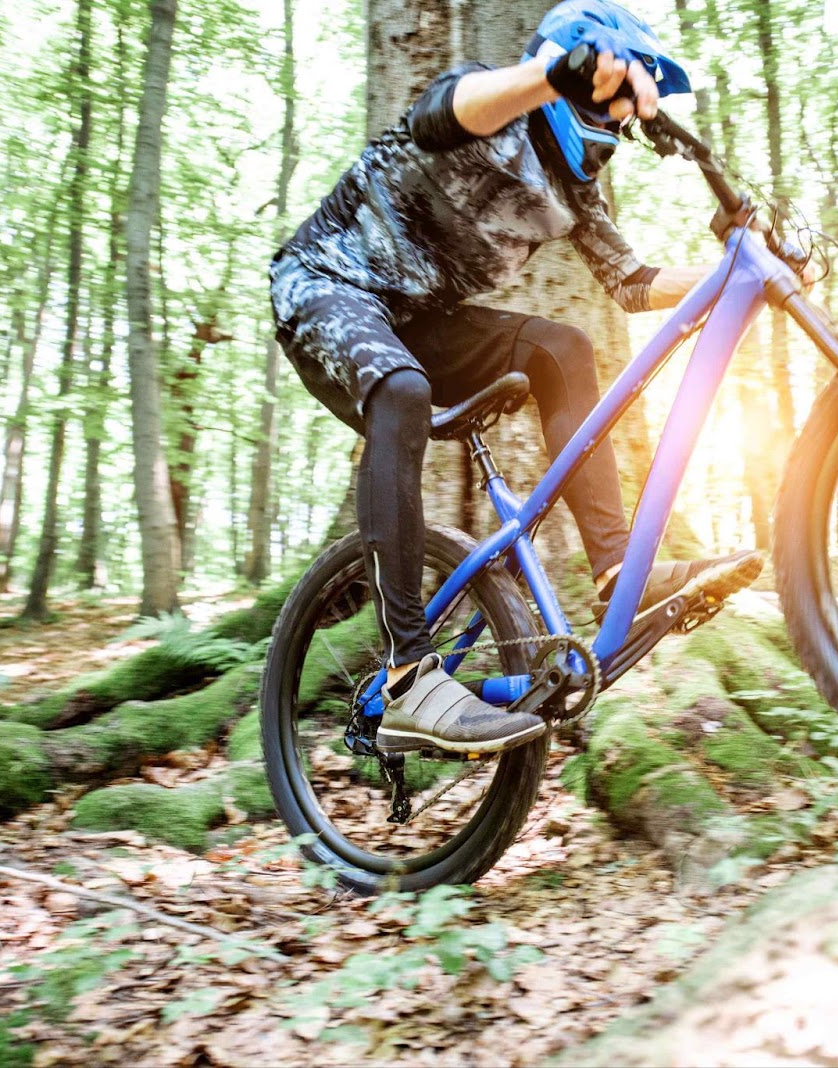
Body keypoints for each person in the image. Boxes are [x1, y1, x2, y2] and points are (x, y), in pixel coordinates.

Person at [270, 0, 759, 757]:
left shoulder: (575, 189)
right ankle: (407, 674)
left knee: (562, 347)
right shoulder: (487, 103)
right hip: (324, 288)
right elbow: (446, 112)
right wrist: (550, 75)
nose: (617, 130)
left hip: (415, 322)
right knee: (400, 390)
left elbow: (632, 283)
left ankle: (617, 567)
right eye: (608, 99)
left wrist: (735, 270)